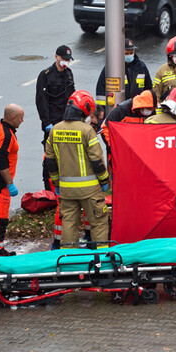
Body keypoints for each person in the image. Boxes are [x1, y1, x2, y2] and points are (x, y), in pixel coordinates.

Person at [45, 90, 110, 249]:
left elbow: (50, 161)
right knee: (99, 222)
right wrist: (104, 180)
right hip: (90, 189)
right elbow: (96, 159)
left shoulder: (55, 130)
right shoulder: (87, 130)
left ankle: (68, 261)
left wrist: (57, 183)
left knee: (69, 224)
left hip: (66, 190)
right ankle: (102, 260)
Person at [0, 103, 25, 257]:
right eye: (21, 118)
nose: (22, 121)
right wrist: (10, 183)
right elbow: (2, 162)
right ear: (13, 118)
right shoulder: (6, 135)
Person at [35, 45, 75, 191]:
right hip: (52, 123)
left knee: (66, 156)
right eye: (64, 59)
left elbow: (72, 98)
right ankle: (48, 189)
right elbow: (41, 101)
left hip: (66, 121)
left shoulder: (69, 74)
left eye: (68, 60)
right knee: (49, 158)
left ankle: (63, 185)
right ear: (57, 57)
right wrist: (46, 122)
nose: (66, 62)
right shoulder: (46, 75)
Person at [94, 38, 151, 119]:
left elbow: (148, 89)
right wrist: (103, 111)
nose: (129, 55)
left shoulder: (141, 67)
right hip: (118, 112)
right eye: (126, 53)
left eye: (131, 53)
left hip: (137, 111)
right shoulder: (111, 68)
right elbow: (101, 93)